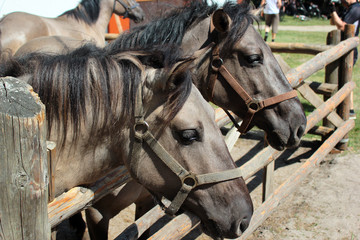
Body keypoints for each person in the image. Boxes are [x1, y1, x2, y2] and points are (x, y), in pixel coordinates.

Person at [330, 0, 360, 119]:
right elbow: (334, 22)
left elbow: (342, 26)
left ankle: (350, 109)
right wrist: (333, 11)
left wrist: (333, 11)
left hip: (349, 48)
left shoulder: (356, 8)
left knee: (345, 78)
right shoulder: (348, 8)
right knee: (342, 78)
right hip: (344, 47)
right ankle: (346, 107)